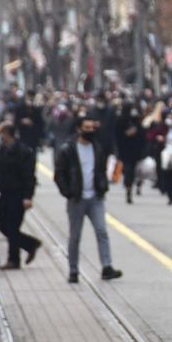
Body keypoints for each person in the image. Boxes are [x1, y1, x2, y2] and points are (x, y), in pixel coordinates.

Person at [54, 116, 122, 284]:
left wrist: (102, 186)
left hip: (95, 198)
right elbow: (59, 173)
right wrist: (68, 192)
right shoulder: (68, 149)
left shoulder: (97, 148)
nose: (90, 130)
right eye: (87, 127)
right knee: (75, 236)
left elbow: (100, 169)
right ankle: (73, 270)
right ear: (79, 129)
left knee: (102, 231)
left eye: (92, 127)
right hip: (76, 199)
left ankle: (107, 267)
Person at [0, 123, 41, 270]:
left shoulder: (24, 152)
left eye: (1, 133)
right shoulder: (2, 149)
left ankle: (13, 260)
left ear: (8, 134)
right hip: (5, 193)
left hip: (18, 194)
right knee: (2, 225)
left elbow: (29, 176)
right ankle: (30, 244)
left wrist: (28, 196)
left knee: (13, 227)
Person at [115, 103, 146, 203]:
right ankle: (129, 187)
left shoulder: (136, 120)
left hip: (133, 150)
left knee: (133, 170)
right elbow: (117, 135)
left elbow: (142, 133)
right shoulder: (122, 120)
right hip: (128, 150)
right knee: (130, 170)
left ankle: (132, 185)